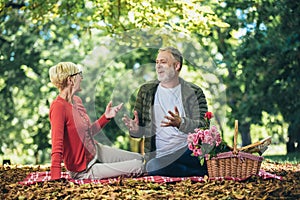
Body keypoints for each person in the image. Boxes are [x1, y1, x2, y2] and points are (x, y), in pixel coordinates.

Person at [49, 62, 144, 180]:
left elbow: (87, 133)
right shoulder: (58, 107)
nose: (82, 78)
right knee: (138, 166)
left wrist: (106, 117)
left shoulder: (76, 101)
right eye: (79, 74)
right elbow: (57, 144)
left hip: (97, 151)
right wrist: (55, 177)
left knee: (140, 158)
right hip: (84, 169)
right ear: (70, 80)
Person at [122, 47, 208, 177]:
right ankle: (196, 172)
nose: (158, 66)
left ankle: (188, 170)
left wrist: (181, 122)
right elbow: (140, 131)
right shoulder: (146, 91)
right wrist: (135, 130)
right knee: (152, 166)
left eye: (163, 62)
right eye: (157, 62)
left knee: (204, 156)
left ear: (177, 66)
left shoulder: (195, 92)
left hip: (187, 152)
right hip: (161, 156)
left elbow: (203, 125)